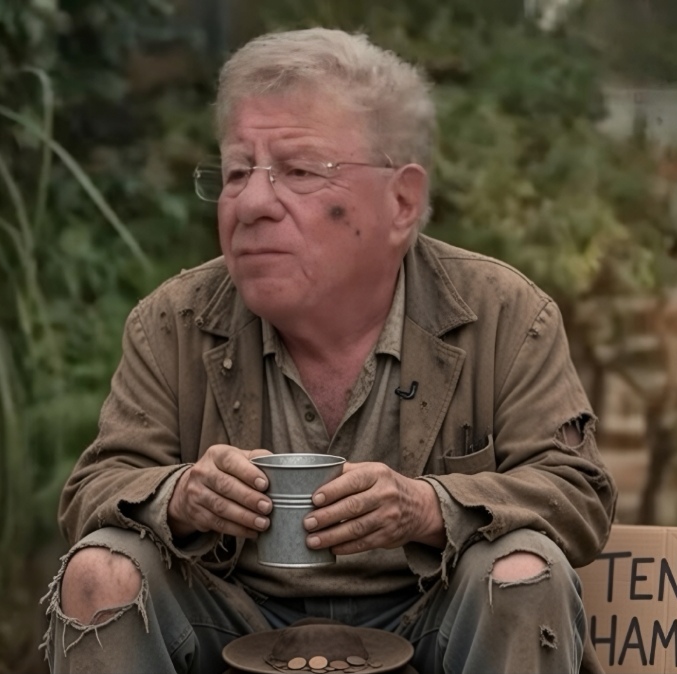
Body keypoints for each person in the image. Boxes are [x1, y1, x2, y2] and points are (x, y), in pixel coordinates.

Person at [41, 27, 617, 674]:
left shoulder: (505, 315)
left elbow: (577, 494)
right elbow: (94, 488)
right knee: (99, 571)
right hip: (230, 613)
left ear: (401, 202)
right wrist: (181, 495)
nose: (251, 203)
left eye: (298, 171)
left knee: (523, 570)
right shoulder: (173, 322)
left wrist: (429, 508)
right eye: (237, 172)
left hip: (431, 609)